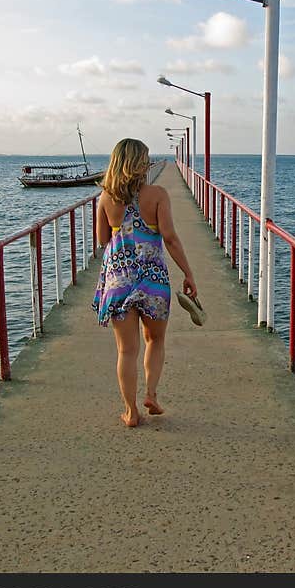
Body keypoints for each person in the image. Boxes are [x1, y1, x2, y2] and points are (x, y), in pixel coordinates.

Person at [91, 138, 197, 427]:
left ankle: (130, 411)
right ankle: (151, 394)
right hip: (153, 279)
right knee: (155, 339)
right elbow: (171, 238)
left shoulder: (106, 197)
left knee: (126, 350)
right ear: (140, 163)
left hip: (118, 280)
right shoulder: (158, 194)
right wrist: (188, 273)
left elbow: (102, 240)